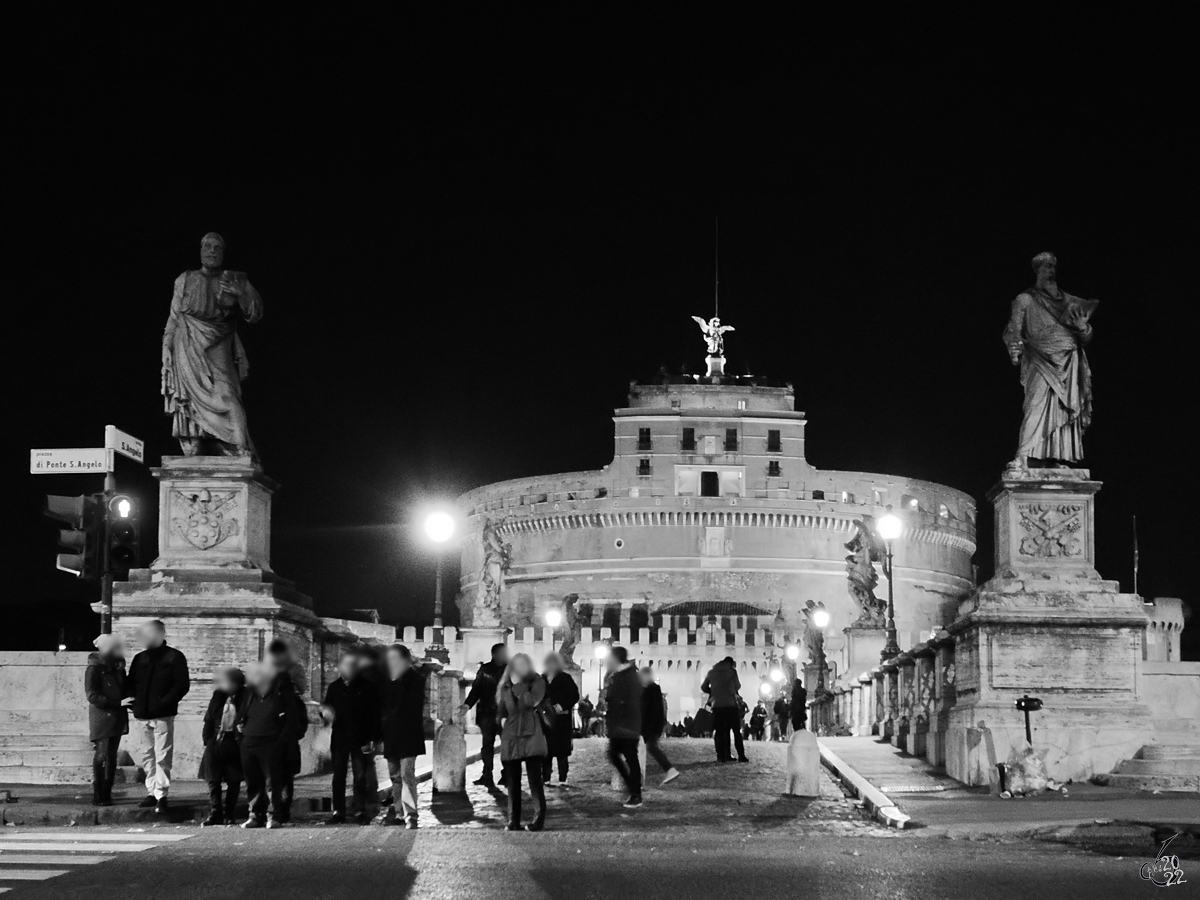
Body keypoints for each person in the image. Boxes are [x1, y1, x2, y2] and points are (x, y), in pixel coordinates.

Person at [161, 232, 264, 459]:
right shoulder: (185, 279)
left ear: (223, 253)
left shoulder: (236, 280)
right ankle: (195, 440)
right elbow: (174, 316)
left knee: (227, 393)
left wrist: (241, 296)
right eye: (208, 246)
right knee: (188, 396)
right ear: (201, 250)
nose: (212, 251)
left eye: (217, 247)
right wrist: (166, 347)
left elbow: (255, 313)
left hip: (219, 343)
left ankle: (239, 445)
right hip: (187, 343)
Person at [1003, 252, 1097, 468]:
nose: (1051, 271)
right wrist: (1014, 348)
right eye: (1046, 267)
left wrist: (1084, 328)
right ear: (1037, 270)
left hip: (1069, 360)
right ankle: (1023, 455)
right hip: (1040, 357)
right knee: (1036, 404)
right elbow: (1014, 330)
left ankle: (1057, 457)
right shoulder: (1025, 299)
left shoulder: (1069, 301)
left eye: (1053, 267)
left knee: (1063, 410)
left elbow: (1086, 335)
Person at [126, 620, 190, 814]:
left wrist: (164, 703)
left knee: (162, 755)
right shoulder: (140, 658)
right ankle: (152, 791)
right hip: (143, 713)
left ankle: (161, 793)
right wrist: (134, 702)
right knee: (147, 755)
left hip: (162, 714)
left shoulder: (174, 656)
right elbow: (131, 682)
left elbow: (181, 685)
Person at [238, 661, 301, 828]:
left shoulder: (281, 693)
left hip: (271, 743)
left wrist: (280, 741)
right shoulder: (250, 693)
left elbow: (292, 720)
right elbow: (242, 714)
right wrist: (241, 733)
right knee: (253, 782)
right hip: (249, 743)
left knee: (272, 782)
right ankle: (255, 815)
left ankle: (273, 816)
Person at [321, 650, 380, 825]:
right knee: (338, 776)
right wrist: (325, 713)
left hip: (360, 738)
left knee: (360, 777)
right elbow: (327, 709)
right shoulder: (334, 687)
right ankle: (338, 811)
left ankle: (360, 810)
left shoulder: (367, 687)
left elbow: (373, 715)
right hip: (339, 738)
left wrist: (372, 738)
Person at [497, 652, 547, 831]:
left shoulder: (537, 682)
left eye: (522, 664)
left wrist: (518, 685)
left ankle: (538, 820)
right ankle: (513, 820)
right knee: (512, 781)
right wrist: (502, 720)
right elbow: (502, 709)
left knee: (535, 779)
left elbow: (532, 701)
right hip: (511, 735)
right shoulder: (505, 686)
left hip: (531, 732)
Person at [379, 644, 426, 829]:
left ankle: (411, 814)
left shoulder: (415, 679)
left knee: (407, 775)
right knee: (395, 776)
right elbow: (382, 709)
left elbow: (411, 705)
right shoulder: (386, 681)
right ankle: (398, 811)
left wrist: (397, 680)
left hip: (409, 734)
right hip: (391, 735)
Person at [266, 639, 308, 823]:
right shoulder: (266, 670)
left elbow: (302, 689)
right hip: (268, 728)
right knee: (270, 774)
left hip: (287, 727)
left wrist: (287, 681)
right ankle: (271, 809)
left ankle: (283, 810)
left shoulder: (294, 670)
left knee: (285, 774)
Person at [85, 633, 130, 807]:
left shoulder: (118, 666)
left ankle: (106, 792)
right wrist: (118, 702)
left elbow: (124, 687)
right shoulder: (94, 668)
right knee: (102, 754)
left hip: (116, 715)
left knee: (111, 756)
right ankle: (99, 792)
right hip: (103, 716)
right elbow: (92, 695)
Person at [199, 666, 246, 826]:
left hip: (234, 742)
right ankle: (215, 812)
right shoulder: (218, 696)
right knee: (213, 779)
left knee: (234, 780)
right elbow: (209, 718)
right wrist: (207, 739)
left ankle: (230, 812)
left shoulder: (245, 696)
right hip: (216, 741)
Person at [461, 643, 509, 788]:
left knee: (506, 745)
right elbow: (476, 690)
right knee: (487, 745)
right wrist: (467, 705)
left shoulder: (511, 670)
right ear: (494, 654)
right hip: (488, 712)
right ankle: (487, 774)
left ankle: (507, 774)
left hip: (505, 713)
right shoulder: (485, 669)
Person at [604, 647, 644, 808]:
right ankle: (634, 790)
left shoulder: (628, 677)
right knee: (617, 756)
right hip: (621, 726)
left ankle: (635, 792)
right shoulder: (621, 675)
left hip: (626, 726)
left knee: (628, 759)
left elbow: (629, 701)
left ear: (615, 659)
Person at [540, 653, 580, 787]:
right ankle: (546, 777)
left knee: (562, 752)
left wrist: (563, 705)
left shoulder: (565, 678)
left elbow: (574, 695)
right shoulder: (542, 679)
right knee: (546, 751)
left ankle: (563, 778)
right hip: (545, 720)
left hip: (561, 720)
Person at [638, 667, 679, 785]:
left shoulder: (651, 689)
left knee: (650, 748)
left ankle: (669, 769)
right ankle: (668, 770)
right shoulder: (652, 689)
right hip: (651, 726)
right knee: (649, 748)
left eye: (642, 676)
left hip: (650, 726)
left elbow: (650, 710)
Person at [701, 656, 746, 762]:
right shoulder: (732, 672)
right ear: (730, 664)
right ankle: (741, 755)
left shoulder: (712, 672)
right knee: (736, 731)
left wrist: (713, 691)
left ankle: (722, 755)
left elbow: (703, 687)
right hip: (730, 704)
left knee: (720, 731)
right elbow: (738, 687)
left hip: (717, 705)